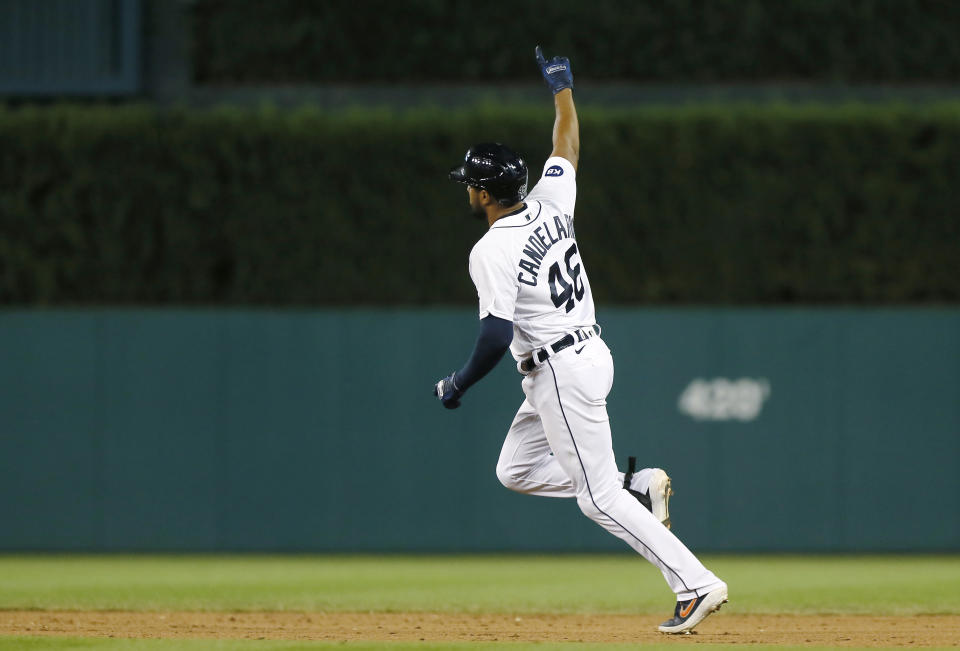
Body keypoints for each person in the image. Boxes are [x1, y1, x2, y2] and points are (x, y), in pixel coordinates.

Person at [433, 46, 728, 634]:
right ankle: (634, 485)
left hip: (557, 372)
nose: (467, 191)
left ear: (487, 195)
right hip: (586, 352)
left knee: (595, 500)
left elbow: (493, 337)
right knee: (515, 470)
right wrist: (562, 89)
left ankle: (696, 584)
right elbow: (565, 144)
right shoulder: (549, 205)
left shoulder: (491, 248)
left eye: (471, 185)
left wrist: (457, 383)